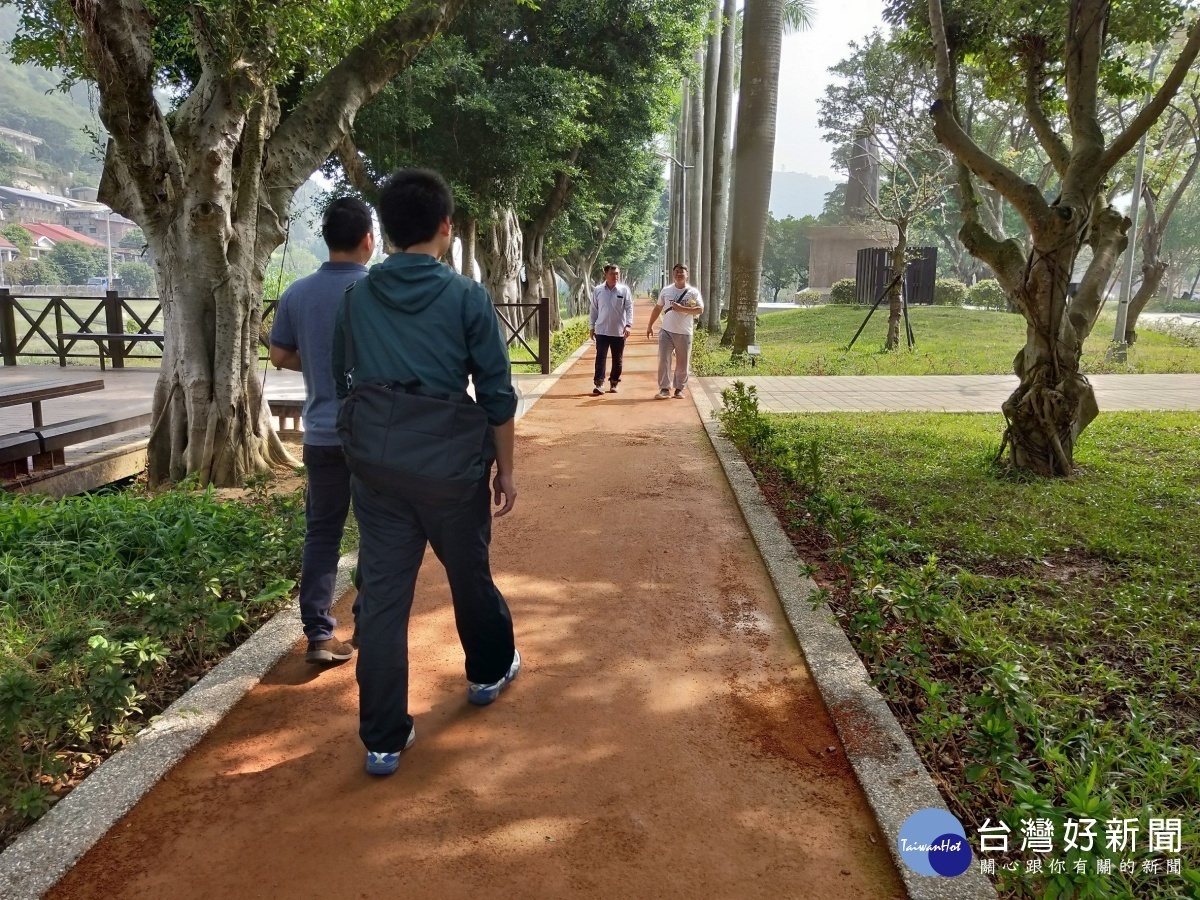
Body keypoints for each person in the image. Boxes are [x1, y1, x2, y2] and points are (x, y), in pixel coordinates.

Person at [332, 169, 521, 777]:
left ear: (383, 230)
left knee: (384, 598)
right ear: (445, 227)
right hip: (450, 468)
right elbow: (497, 393)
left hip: (379, 467)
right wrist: (506, 472)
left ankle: (384, 739)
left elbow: (343, 381)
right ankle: (488, 674)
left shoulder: (356, 297)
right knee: (468, 574)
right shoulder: (466, 297)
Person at [269, 197, 375, 665]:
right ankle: (371, 624)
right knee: (379, 530)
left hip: (320, 435)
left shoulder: (297, 293)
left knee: (323, 534)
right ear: (367, 240)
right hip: (373, 436)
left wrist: (315, 360)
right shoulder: (378, 291)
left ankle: (318, 633)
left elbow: (278, 355)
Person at [647, 264, 704, 399]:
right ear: (673, 275)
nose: (679, 274)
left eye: (682, 272)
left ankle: (679, 388)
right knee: (663, 360)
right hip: (666, 331)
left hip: (685, 332)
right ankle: (664, 389)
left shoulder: (693, 292)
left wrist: (682, 309)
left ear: (687, 275)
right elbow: (657, 308)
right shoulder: (666, 290)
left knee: (683, 362)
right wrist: (650, 325)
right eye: (677, 272)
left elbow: (700, 309)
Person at [588, 263, 634, 396]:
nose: (616, 276)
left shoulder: (624, 290)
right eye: (612, 274)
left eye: (617, 274)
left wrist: (629, 325)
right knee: (600, 358)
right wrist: (592, 326)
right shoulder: (598, 290)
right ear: (605, 274)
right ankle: (599, 383)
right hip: (601, 330)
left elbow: (629, 308)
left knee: (617, 359)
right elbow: (594, 310)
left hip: (619, 331)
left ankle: (614, 382)